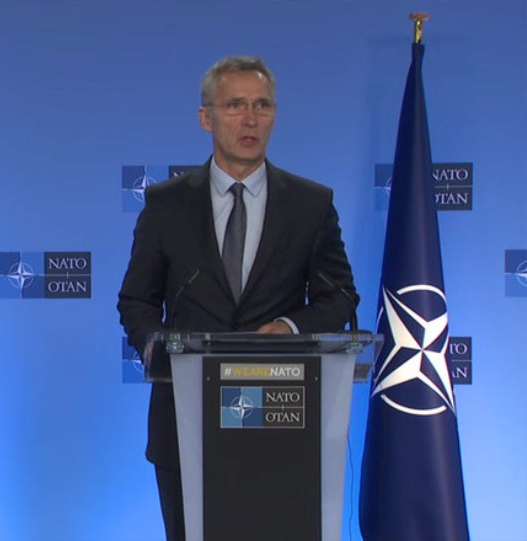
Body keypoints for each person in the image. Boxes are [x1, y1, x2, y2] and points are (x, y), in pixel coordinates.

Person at [117, 56, 358, 540]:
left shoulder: (311, 204)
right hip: (184, 421)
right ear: (206, 117)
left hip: (281, 418)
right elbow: (136, 302)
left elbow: (340, 296)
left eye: (262, 105)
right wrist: (164, 348)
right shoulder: (166, 204)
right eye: (235, 105)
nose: (250, 119)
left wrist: (289, 330)